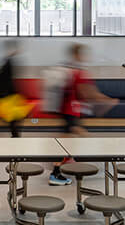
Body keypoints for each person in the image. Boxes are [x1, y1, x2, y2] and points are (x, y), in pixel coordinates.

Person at [48, 43, 116, 185]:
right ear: (77, 55)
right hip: (70, 111)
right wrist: (108, 100)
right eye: (83, 54)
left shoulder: (68, 69)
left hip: (68, 111)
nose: (85, 57)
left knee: (70, 138)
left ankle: (64, 164)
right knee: (72, 138)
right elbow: (87, 92)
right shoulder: (77, 72)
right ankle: (55, 173)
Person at [0, 40, 33, 138]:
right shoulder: (9, 63)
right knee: (17, 116)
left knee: (16, 116)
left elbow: (5, 79)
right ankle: (15, 135)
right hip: (8, 95)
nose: (19, 51)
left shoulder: (7, 62)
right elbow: (7, 80)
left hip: (8, 94)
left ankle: (15, 135)